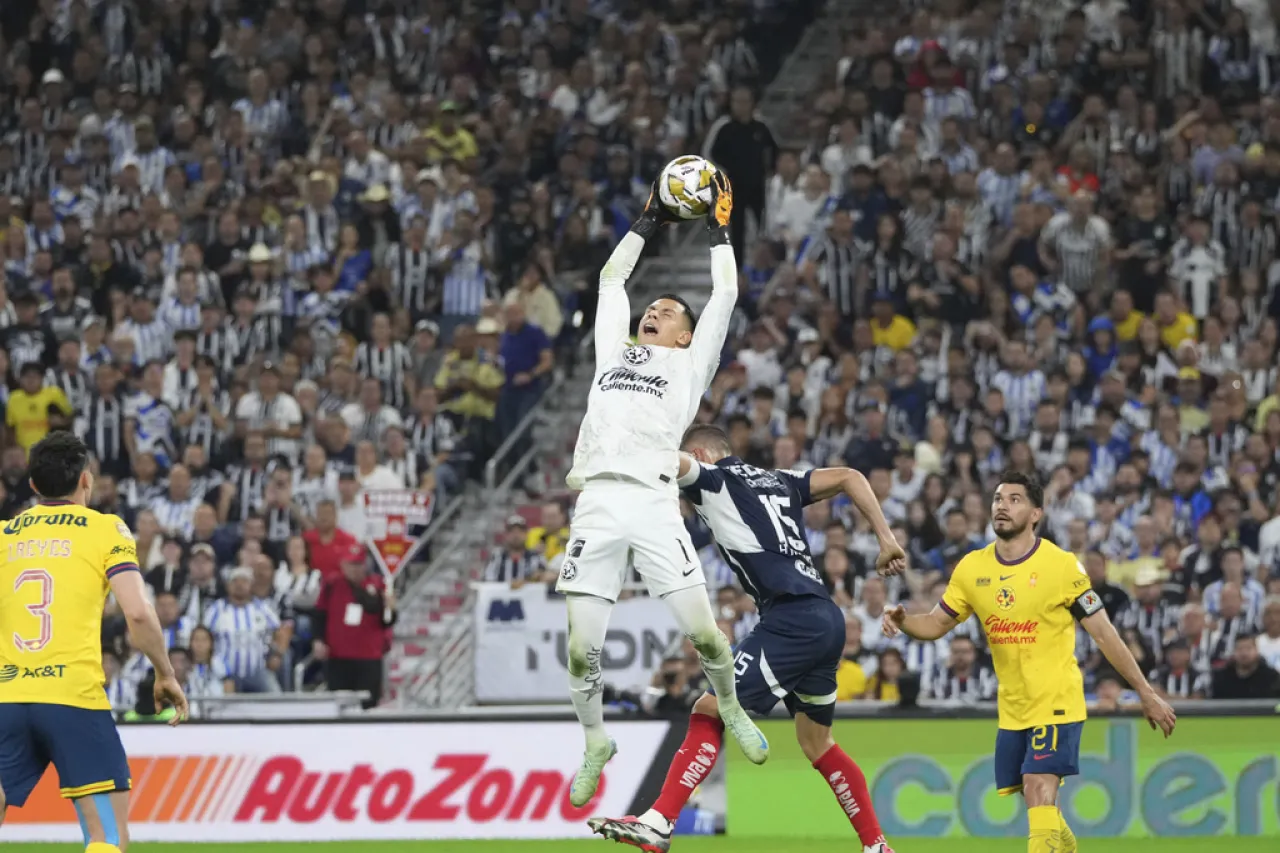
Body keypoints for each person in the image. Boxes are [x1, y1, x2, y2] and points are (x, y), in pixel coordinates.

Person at [589, 422, 905, 853]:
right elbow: (851, 476)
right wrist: (886, 539)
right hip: (825, 617)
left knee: (710, 707)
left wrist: (612, 439)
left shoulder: (713, 479)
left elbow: (661, 460)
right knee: (816, 741)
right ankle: (876, 846)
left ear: (700, 456)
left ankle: (659, 821)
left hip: (791, 619)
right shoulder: (782, 480)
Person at [559, 171, 768, 809]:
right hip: (597, 499)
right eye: (653, 308)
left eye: (669, 311)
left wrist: (718, 228)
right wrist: (647, 220)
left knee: (705, 637)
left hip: (652, 502)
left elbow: (726, 291)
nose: (654, 311)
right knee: (579, 650)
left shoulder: (689, 364)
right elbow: (611, 282)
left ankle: (730, 708)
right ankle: (595, 742)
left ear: (685, 333)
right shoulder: (611, 355)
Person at [883, 470, 1176, 853]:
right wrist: (904, 622)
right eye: (998, 499)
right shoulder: (972, 568)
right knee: (1038, 803)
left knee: (1039, 784)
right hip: (1013, 707)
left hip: (1057, 700)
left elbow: (1104, 633)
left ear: (1036, 513)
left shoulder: (1062, 566)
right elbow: (937, 623)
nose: (1002, 506)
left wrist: (1145, 692)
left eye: (1015, 499)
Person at [0, 432, 188, 848]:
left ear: (32, 485)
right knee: (105, 839)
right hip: (74, 701)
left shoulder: (4, 536)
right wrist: (165, 673)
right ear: (86, 480)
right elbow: (138, 612)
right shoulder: (106, 530)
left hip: (8, 700)